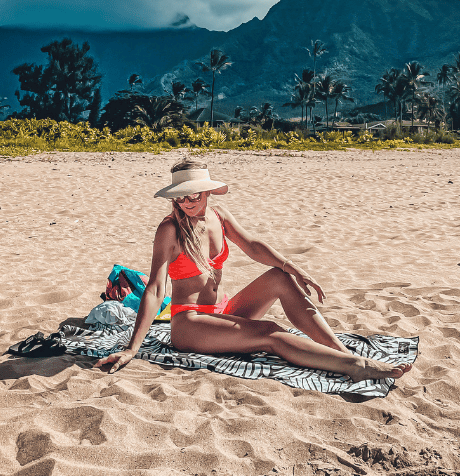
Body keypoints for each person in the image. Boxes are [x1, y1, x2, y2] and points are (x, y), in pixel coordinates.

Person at [94, 157, 412, 382]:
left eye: (195, 194)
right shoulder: (170, 230)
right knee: (269, 332)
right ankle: (354, 365)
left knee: (279, 277)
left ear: (207, 191)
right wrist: (132, 348)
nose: (188, 202)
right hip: (189, 323)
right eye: (181, 196)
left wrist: (296, 269)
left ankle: (338, 351)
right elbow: (155, 289)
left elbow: (254, 246)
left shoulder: (219, 217)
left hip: (220, 313)